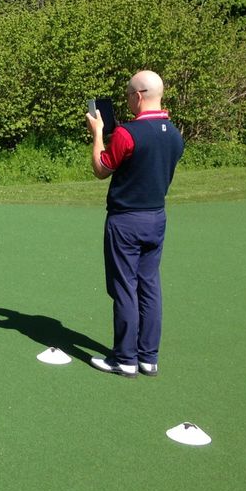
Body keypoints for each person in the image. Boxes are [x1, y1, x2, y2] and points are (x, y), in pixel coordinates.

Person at [86, 70, 184, 378]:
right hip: (156, 217)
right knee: (149, 285)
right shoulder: (175, 134)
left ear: (138, 96)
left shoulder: (128, 133)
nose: (127, 100)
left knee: (125, 287)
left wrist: (98, 133)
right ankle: (148, 357)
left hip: (126, 220)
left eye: (128, 95)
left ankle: (125, 358)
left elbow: (101, 168)